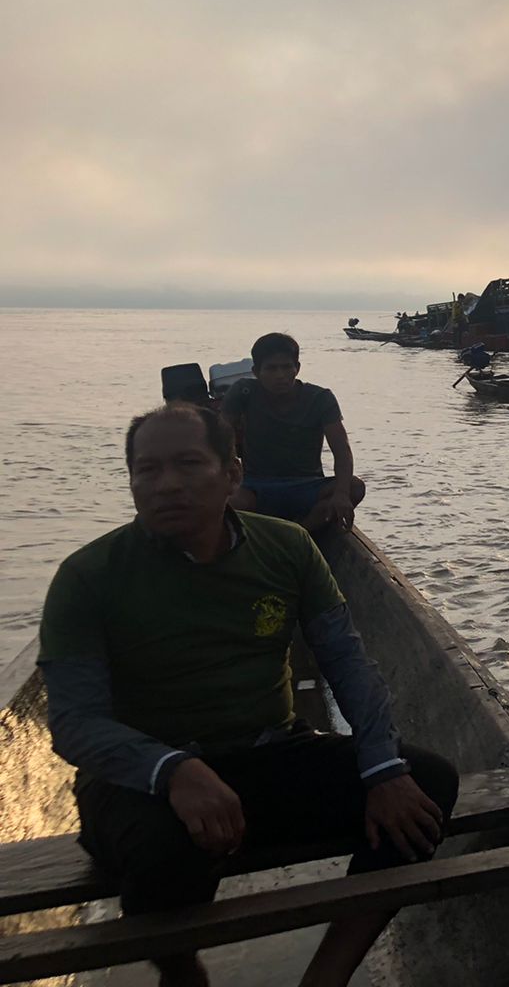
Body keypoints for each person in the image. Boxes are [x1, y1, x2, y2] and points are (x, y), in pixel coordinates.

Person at [38, 403, 457, 987]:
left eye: (188, 464)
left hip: (268, 753)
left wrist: (383, 767)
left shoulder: (285, 548)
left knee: (426, 785)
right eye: (147, 470)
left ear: (233, 475)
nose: (166, 485)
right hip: (142, 776)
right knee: (165, 856)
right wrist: (174, 770)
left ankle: (326, 976)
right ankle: (184, 973)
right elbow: (75, 722)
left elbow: (347, 663)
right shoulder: (89, 576)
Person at [222, 333, 364, 535]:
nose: (280, 375)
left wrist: (341, 494)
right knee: (225, 501)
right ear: (256, 371)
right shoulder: (243, 392)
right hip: (257, 486)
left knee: (354, 487)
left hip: (307, 485)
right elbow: (220, 437)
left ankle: (300, 534)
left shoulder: (320, 398)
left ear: (297, 368)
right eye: (271, 368)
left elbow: (342, 450)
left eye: (287, 367)